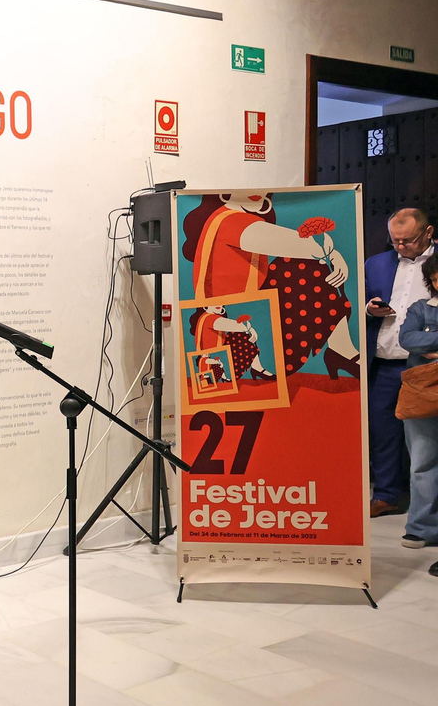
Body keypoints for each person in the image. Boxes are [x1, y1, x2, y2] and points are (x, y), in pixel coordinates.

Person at [181, 192, 358, 378]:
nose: (256, 194)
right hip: (244, 315)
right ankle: (340, 351)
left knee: (303, 265)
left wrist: (329, 255)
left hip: (252, 309)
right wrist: (332, 255)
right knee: (308, 265)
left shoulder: (237, 217)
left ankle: (340, 350)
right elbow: (310, 248)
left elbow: (309, 250)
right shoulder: (230, 221)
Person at [366, 208, 434, 517]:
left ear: (428, 233)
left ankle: (424, 504)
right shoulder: (376, 263)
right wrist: (370, 309)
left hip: (424, 365)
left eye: (407, 241)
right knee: (383, 433)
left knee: (424, 440)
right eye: (395, 241)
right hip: (384, 361)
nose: (400, 248)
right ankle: (386, 495)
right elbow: (355, 299)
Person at [397, 252, 438, 573]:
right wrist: (423, 343)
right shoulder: (419, 308)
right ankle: (422, 527)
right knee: (422, 461)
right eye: (436, 277)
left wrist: (429, 343)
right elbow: (407, 338)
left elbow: (419, 341)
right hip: (422, 394)